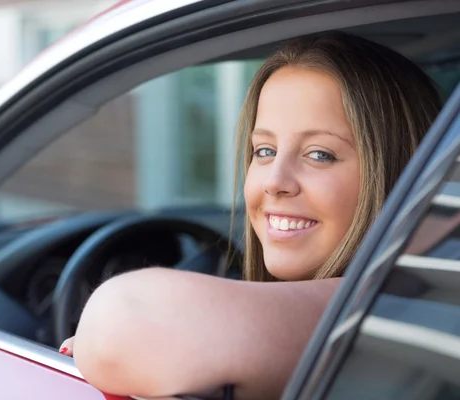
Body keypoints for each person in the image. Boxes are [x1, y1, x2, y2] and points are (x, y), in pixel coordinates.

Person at [59, 31, 442, 399]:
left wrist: (117, 345)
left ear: (401, 173)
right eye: (264, 151)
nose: (275, 182)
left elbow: (125, 320)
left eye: (319, 154)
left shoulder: (412, 317)